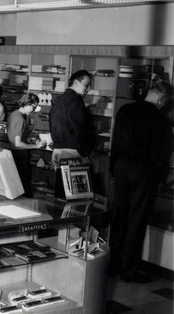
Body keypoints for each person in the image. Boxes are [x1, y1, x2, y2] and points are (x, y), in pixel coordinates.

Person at [109, 79, 173, 283]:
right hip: (143, 172)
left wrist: (114, 169)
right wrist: (163, 177)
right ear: (162, 98)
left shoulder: (125, 110)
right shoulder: (160, 120)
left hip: (121, 168)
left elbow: (115, 141)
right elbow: (160, 153)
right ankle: (129, 272)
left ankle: (112, 265)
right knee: (137, 221)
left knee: (119, 216)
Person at [49, 70, 95, 169]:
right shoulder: (77, 100)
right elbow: (80, 129)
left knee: (61, 182)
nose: (88, 89)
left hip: (57, 150)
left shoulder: (59, 101)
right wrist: (85, 152)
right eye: (86, 85)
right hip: (72, 152)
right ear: (76, 82)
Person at [7, 93, 46, 196]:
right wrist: (36, 146)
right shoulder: (20, 119)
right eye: (33, 107)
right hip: (20, 154)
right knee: (24, 186)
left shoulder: (13, 114)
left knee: (16, 185)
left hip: (12, 152)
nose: (33, 110)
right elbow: (18, 143)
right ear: (27, 104)